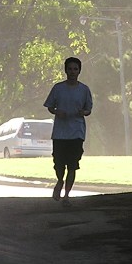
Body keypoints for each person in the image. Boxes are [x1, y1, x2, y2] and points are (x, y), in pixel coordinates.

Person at [44, 56, 93, 206]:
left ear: (79, 71)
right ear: (65, 70)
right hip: (60, 133)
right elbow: (50, 106)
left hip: (76, 132)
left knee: (72, 165)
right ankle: (60, 180)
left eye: (75, 69)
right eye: (70, 69)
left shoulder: (84, 90)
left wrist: (83, 112)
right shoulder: (58, 88)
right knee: (59, 164)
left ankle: (66, 196)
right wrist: (56, 112)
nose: (72, 72)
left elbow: (88, 109)